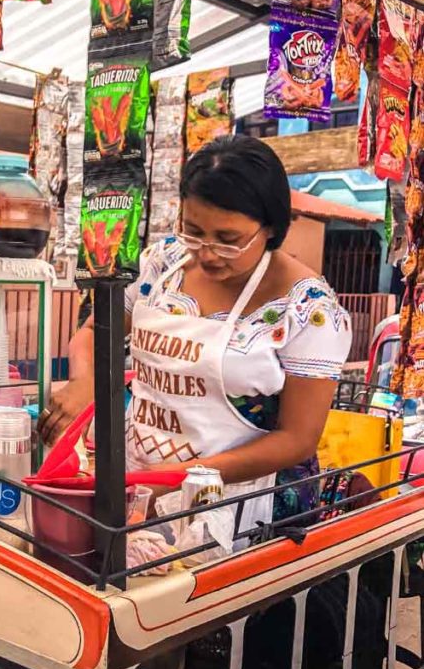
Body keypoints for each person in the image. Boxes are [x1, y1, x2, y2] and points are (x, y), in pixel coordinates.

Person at [38, 135, 353, 528]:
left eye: (228, 240)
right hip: (136, 479)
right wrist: (88, 382)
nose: (205, 252)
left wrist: (178, 481)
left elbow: (297, 438)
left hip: (241, 503)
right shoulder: (163, 261)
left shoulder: (308, 308)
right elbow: (93, 331)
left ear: (271, 227)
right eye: (193, 230)